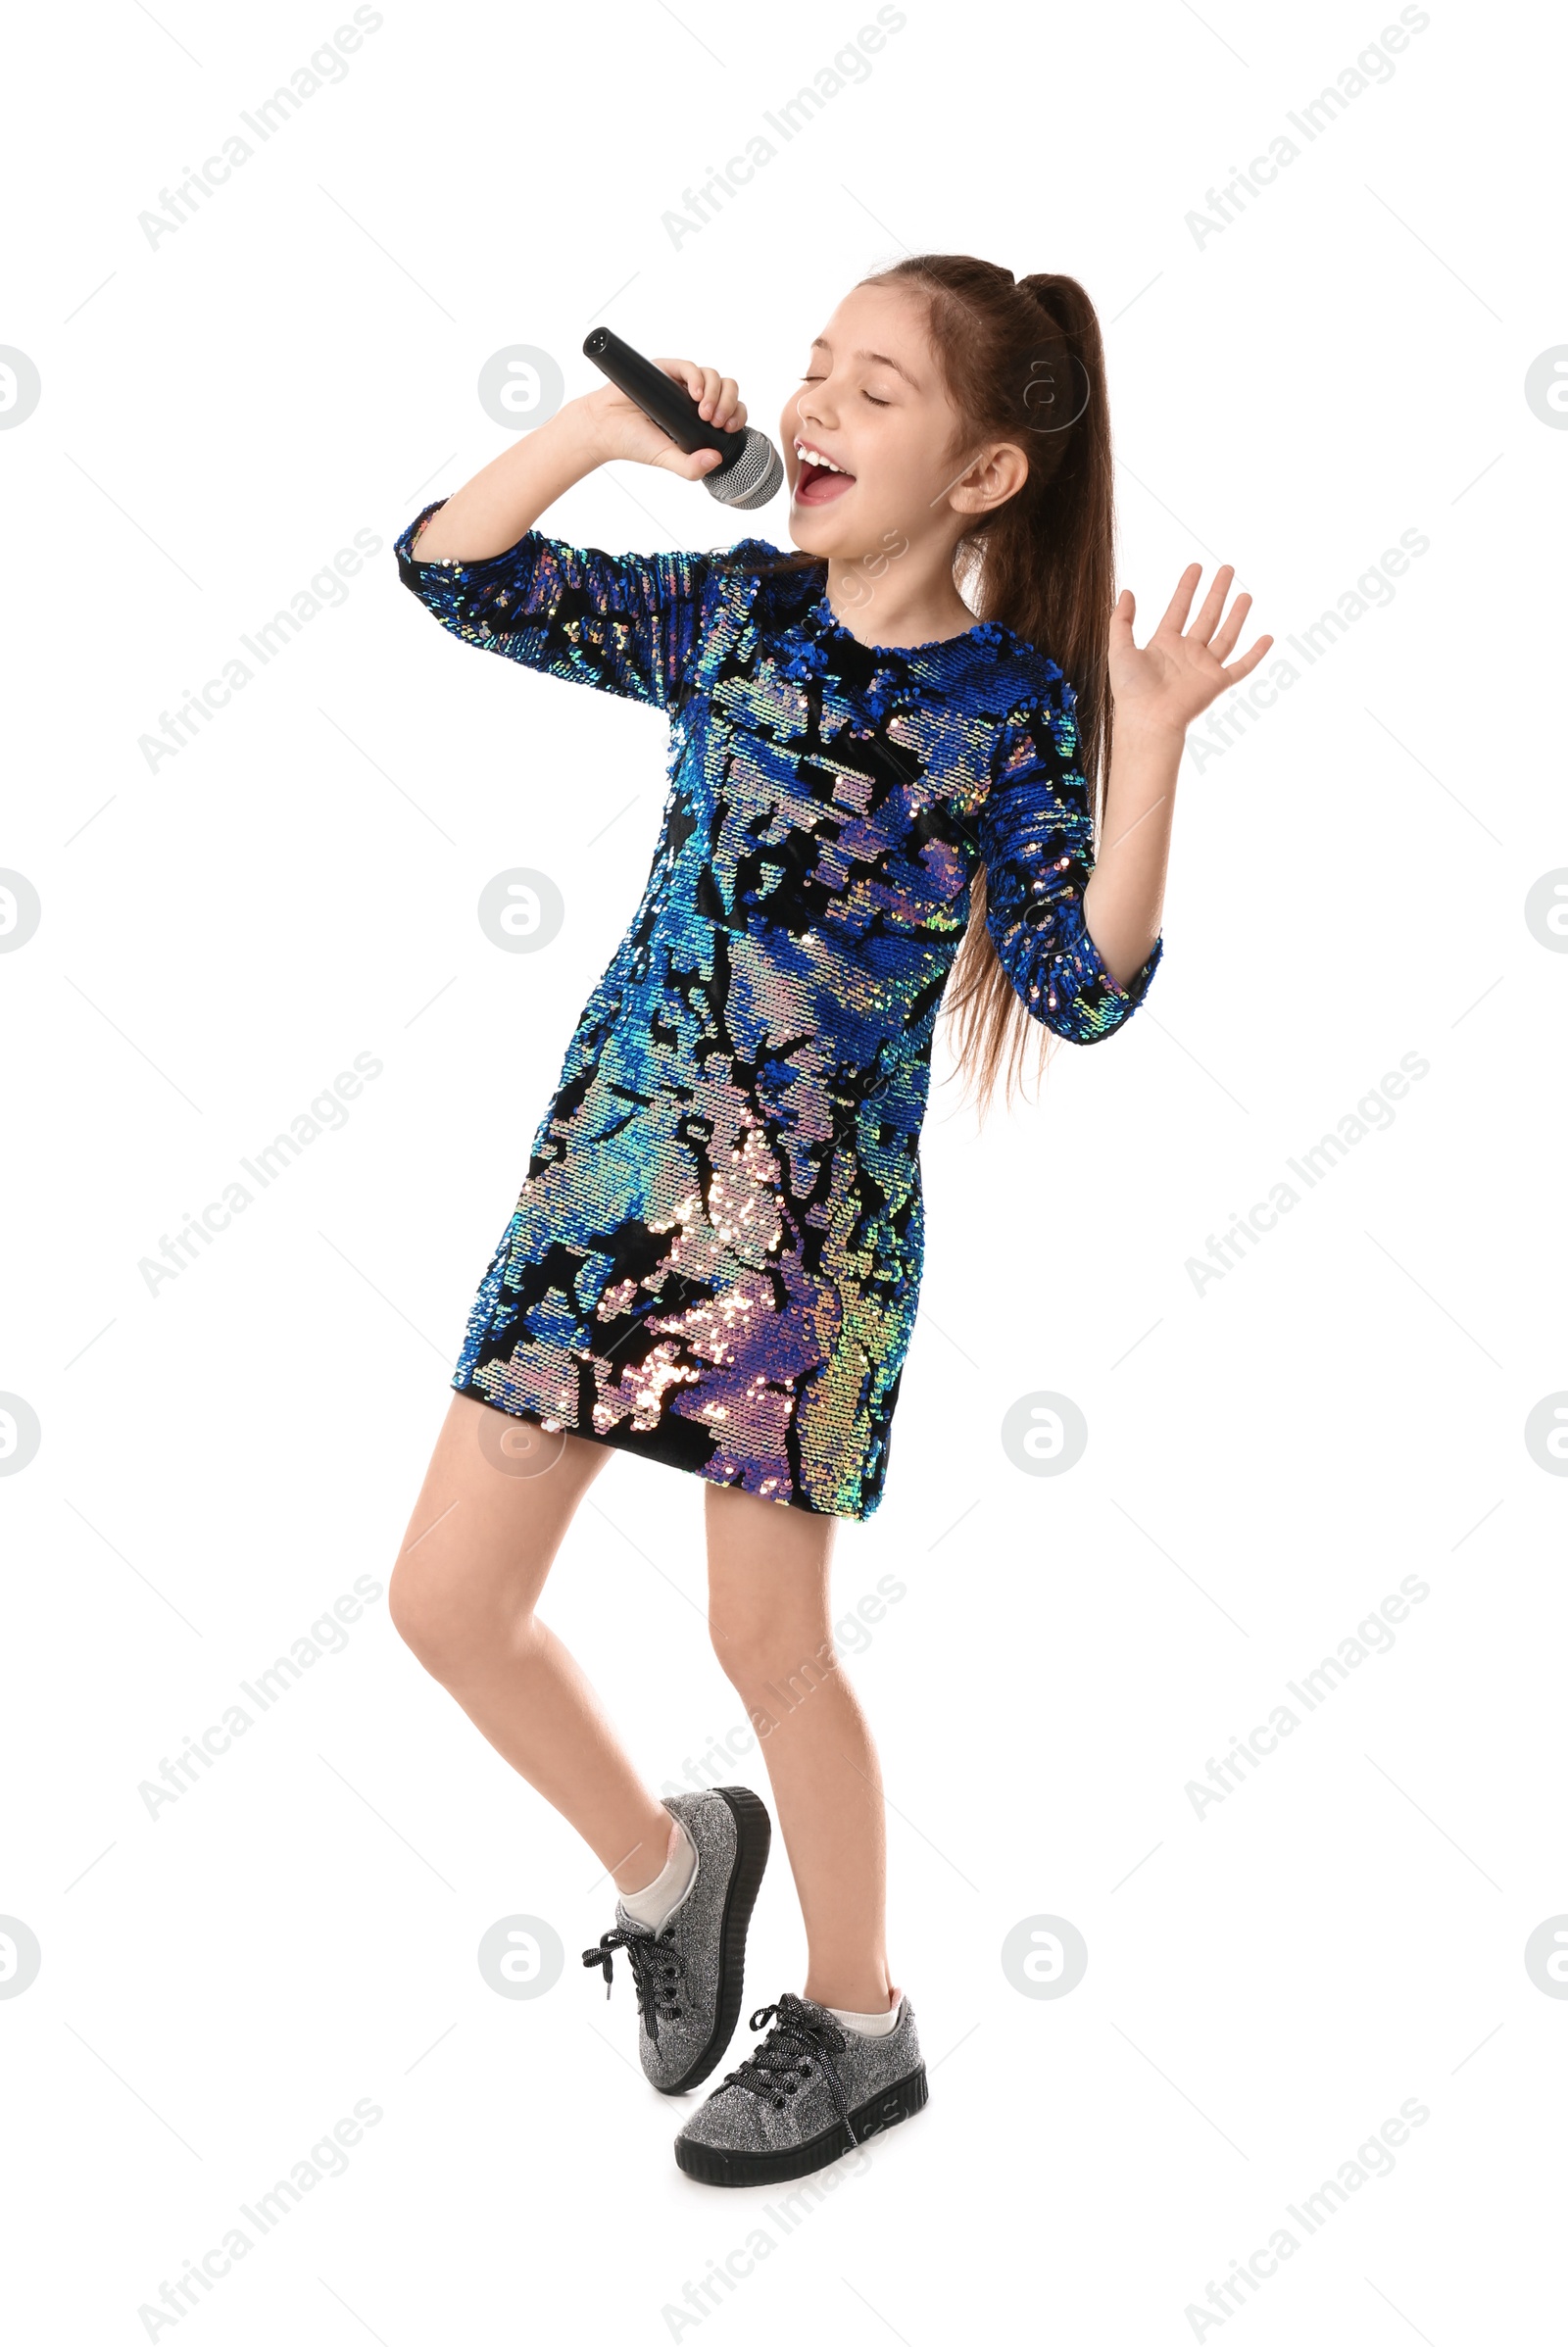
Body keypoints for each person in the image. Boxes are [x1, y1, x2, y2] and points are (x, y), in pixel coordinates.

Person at [387, 254, 1270, 2187]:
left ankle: (859, 2018)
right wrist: (609, 432)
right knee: (445, 1605)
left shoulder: (1007, 710)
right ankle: (667, 1860)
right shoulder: (728, 616)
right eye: (813, 372)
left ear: (981, 474)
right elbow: (458, 574)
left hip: (801, 1238)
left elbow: (1081, 986)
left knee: (764, 1640)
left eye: (875, 389)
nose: (813, 408)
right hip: (610, 1186)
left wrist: (1150, 743)